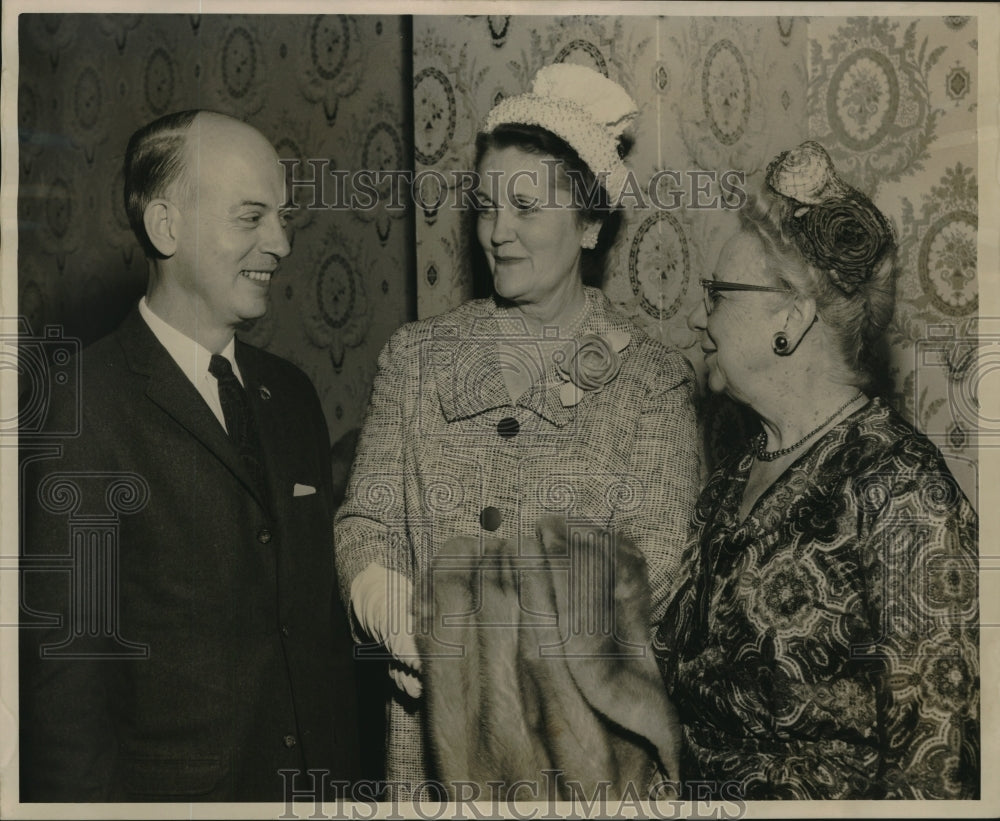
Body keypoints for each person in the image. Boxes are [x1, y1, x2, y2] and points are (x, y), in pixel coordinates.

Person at [334, 63, 702, 795]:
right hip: (434, 768)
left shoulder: (650, 383)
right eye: (486, 206)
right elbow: (366, 520)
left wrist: (469, 644)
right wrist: (392, 610)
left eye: (527, 208)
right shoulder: (415, 358)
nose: (497, 232)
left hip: (590, 767)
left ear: (590, 224)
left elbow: (645, 568)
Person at [20, 110, 360, 801]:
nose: (283, 243)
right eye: (251, 217)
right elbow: (69, 692)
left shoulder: (290, 394)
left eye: (283, 217)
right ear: (166, 226)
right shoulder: (82, 404)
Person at [652, 140, 979, 800]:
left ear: (792, 317)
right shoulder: (733, 474)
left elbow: (936, 771)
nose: (696, 314)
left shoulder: (900, 487)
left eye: (717, 293)